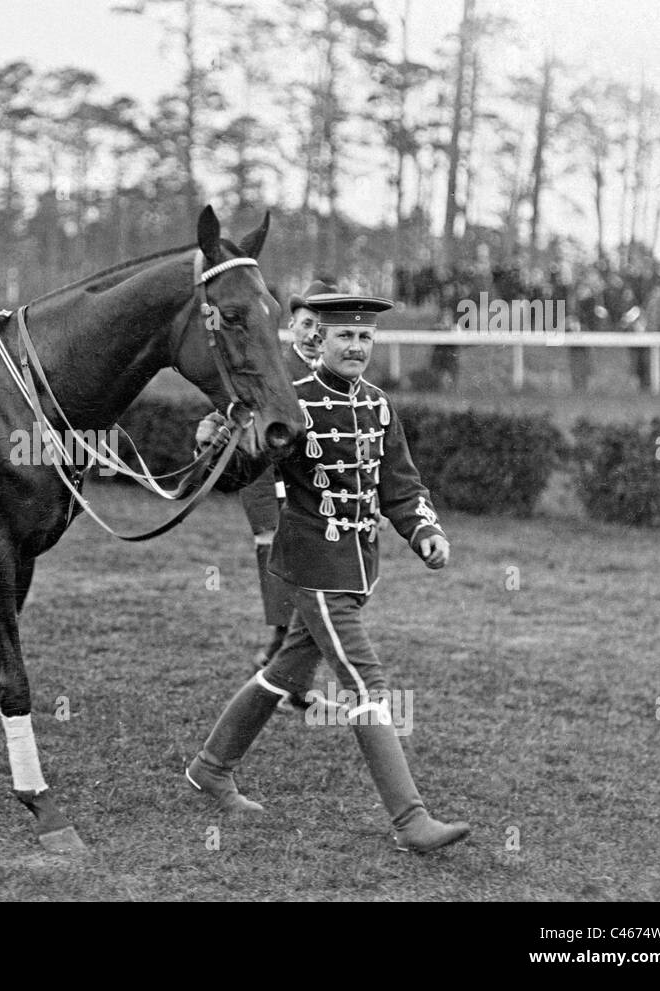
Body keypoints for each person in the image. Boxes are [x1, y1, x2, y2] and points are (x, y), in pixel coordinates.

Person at [186, 293, 471, 854]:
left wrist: (425, 532)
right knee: (366, 684)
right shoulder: (291, 404)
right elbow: (239, 472)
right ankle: (411, 820)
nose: (357, 347)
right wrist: (214, 443)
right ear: (320, 342)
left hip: (359, 565)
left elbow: (401, 486)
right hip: (313, 566)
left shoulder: (380, 405)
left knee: (285, 673)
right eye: (346, 337)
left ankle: (211, 767)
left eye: (365, 338)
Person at [241, 280, 334, 671]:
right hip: (276, 494)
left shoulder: (337, 379)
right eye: (308, 324)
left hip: (318, 501)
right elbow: (249, 437)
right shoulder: (273, 372)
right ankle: (278, 668)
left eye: (324, 329)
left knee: (320, 591)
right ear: (292, 325)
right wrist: (263, 515)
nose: (315, 335)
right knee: (288, 584)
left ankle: (285, 675)